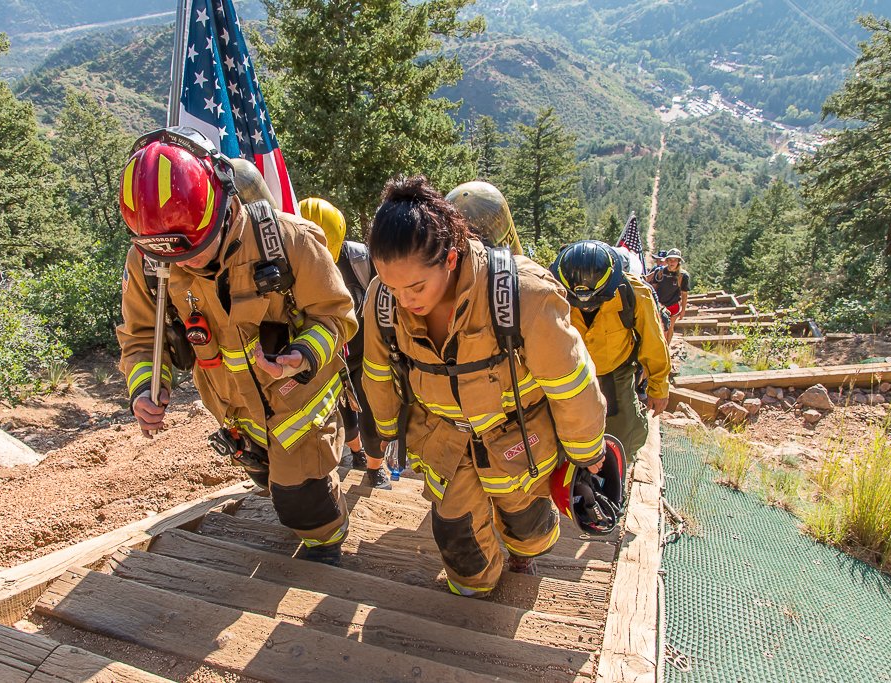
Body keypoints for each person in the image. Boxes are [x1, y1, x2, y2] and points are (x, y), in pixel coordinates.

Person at [117, 127, 357, 566]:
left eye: (195, 251)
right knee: (267, 481)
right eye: (169, 258)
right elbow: (139, 337)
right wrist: (146, 386)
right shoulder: (152, 260)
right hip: (232, 410)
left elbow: (337, 317)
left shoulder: (290, 242)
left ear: (225, 206)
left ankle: (327, 543)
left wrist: (302, 355)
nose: (183, 265)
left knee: (301, 499)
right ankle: (290, 495)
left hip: (297, 402)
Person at [362, 176, 607, 597]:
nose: (404, 300)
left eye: (416, 287)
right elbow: (379, 372)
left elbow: (572, 385)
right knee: (461, 545)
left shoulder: (525, 294)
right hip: (443, 440)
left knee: (528, 528)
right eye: (392, 286)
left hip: (519, 443)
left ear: (451, 258)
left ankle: (522, 556)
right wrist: (387, 434)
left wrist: (587, 451)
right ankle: (474, 596)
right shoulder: (383, 301)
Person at [299, 197, 391, 489]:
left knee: (372, 416)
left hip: (364, 354)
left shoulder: (359, 261)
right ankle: (357, 454)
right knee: (345, 415)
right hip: (328, 357)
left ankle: (376, 469)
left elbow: (383, 299)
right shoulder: (295, 264)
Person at [551, 241, 671, 459]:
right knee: (563, 434)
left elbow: (654, 342)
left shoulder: (635, 293)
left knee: (623, 434)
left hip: (616, 373)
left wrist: (659, 387)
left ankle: (616, 475)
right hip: (569, 374)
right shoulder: (552, 290)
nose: (587, 306)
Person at [645, 248, 690, 344]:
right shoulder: (660, 272)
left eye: (675, 260)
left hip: (673, 305)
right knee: (658, 326)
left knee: (670, 327)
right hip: (660, 304)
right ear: (667, 260)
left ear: (678, 261)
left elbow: (684, 294)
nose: (672, 262)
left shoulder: (683, 276)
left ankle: (667, 347)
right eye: (670, 259)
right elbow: (654, 288)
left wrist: (683, 310)